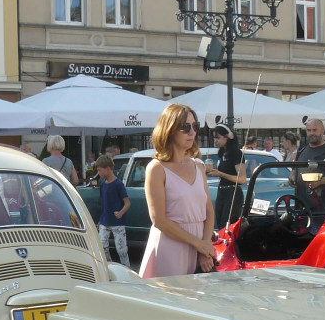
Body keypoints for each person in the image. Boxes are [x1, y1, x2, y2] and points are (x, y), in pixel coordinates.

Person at [139, 104, 215, 278]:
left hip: (198, 249)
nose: (192, 132)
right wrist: (199, 244)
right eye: (185, 127)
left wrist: (204, 247)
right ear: (170, 130)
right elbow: (159, 220)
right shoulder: (156, 168)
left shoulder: (198, 166)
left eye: (195, 126)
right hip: (170, 248)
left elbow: (209, 212)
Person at [289, 120, 325, 211]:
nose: (312, 133)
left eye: (315, 130)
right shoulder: (301, 150)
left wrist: (320, 181)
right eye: (309, 130)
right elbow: (294, 170)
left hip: (323, 209)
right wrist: (292, 178)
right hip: (302, 208)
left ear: (322, 131)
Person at [95, 154, 131, 268]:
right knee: (102, 245)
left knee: (121, 249)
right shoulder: (103, 184)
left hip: (117, 222)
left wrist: (120, 213)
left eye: (100, 170)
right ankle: (109, 266)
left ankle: (126, 268)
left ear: (108, 168)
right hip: (105, 221)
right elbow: (104, 205)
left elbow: (127, 203)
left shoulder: (118, 184)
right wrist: (100, 221)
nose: (99, 173)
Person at [208, 123, 246, 230]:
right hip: (222, 192)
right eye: (214, 138)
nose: (215, 140)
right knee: (219, 225)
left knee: (227, 226)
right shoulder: (223, 153)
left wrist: (220, 174)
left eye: (218, 137)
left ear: (227, 137)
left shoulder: (236, 153)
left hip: (233, 193)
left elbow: (242, 179)